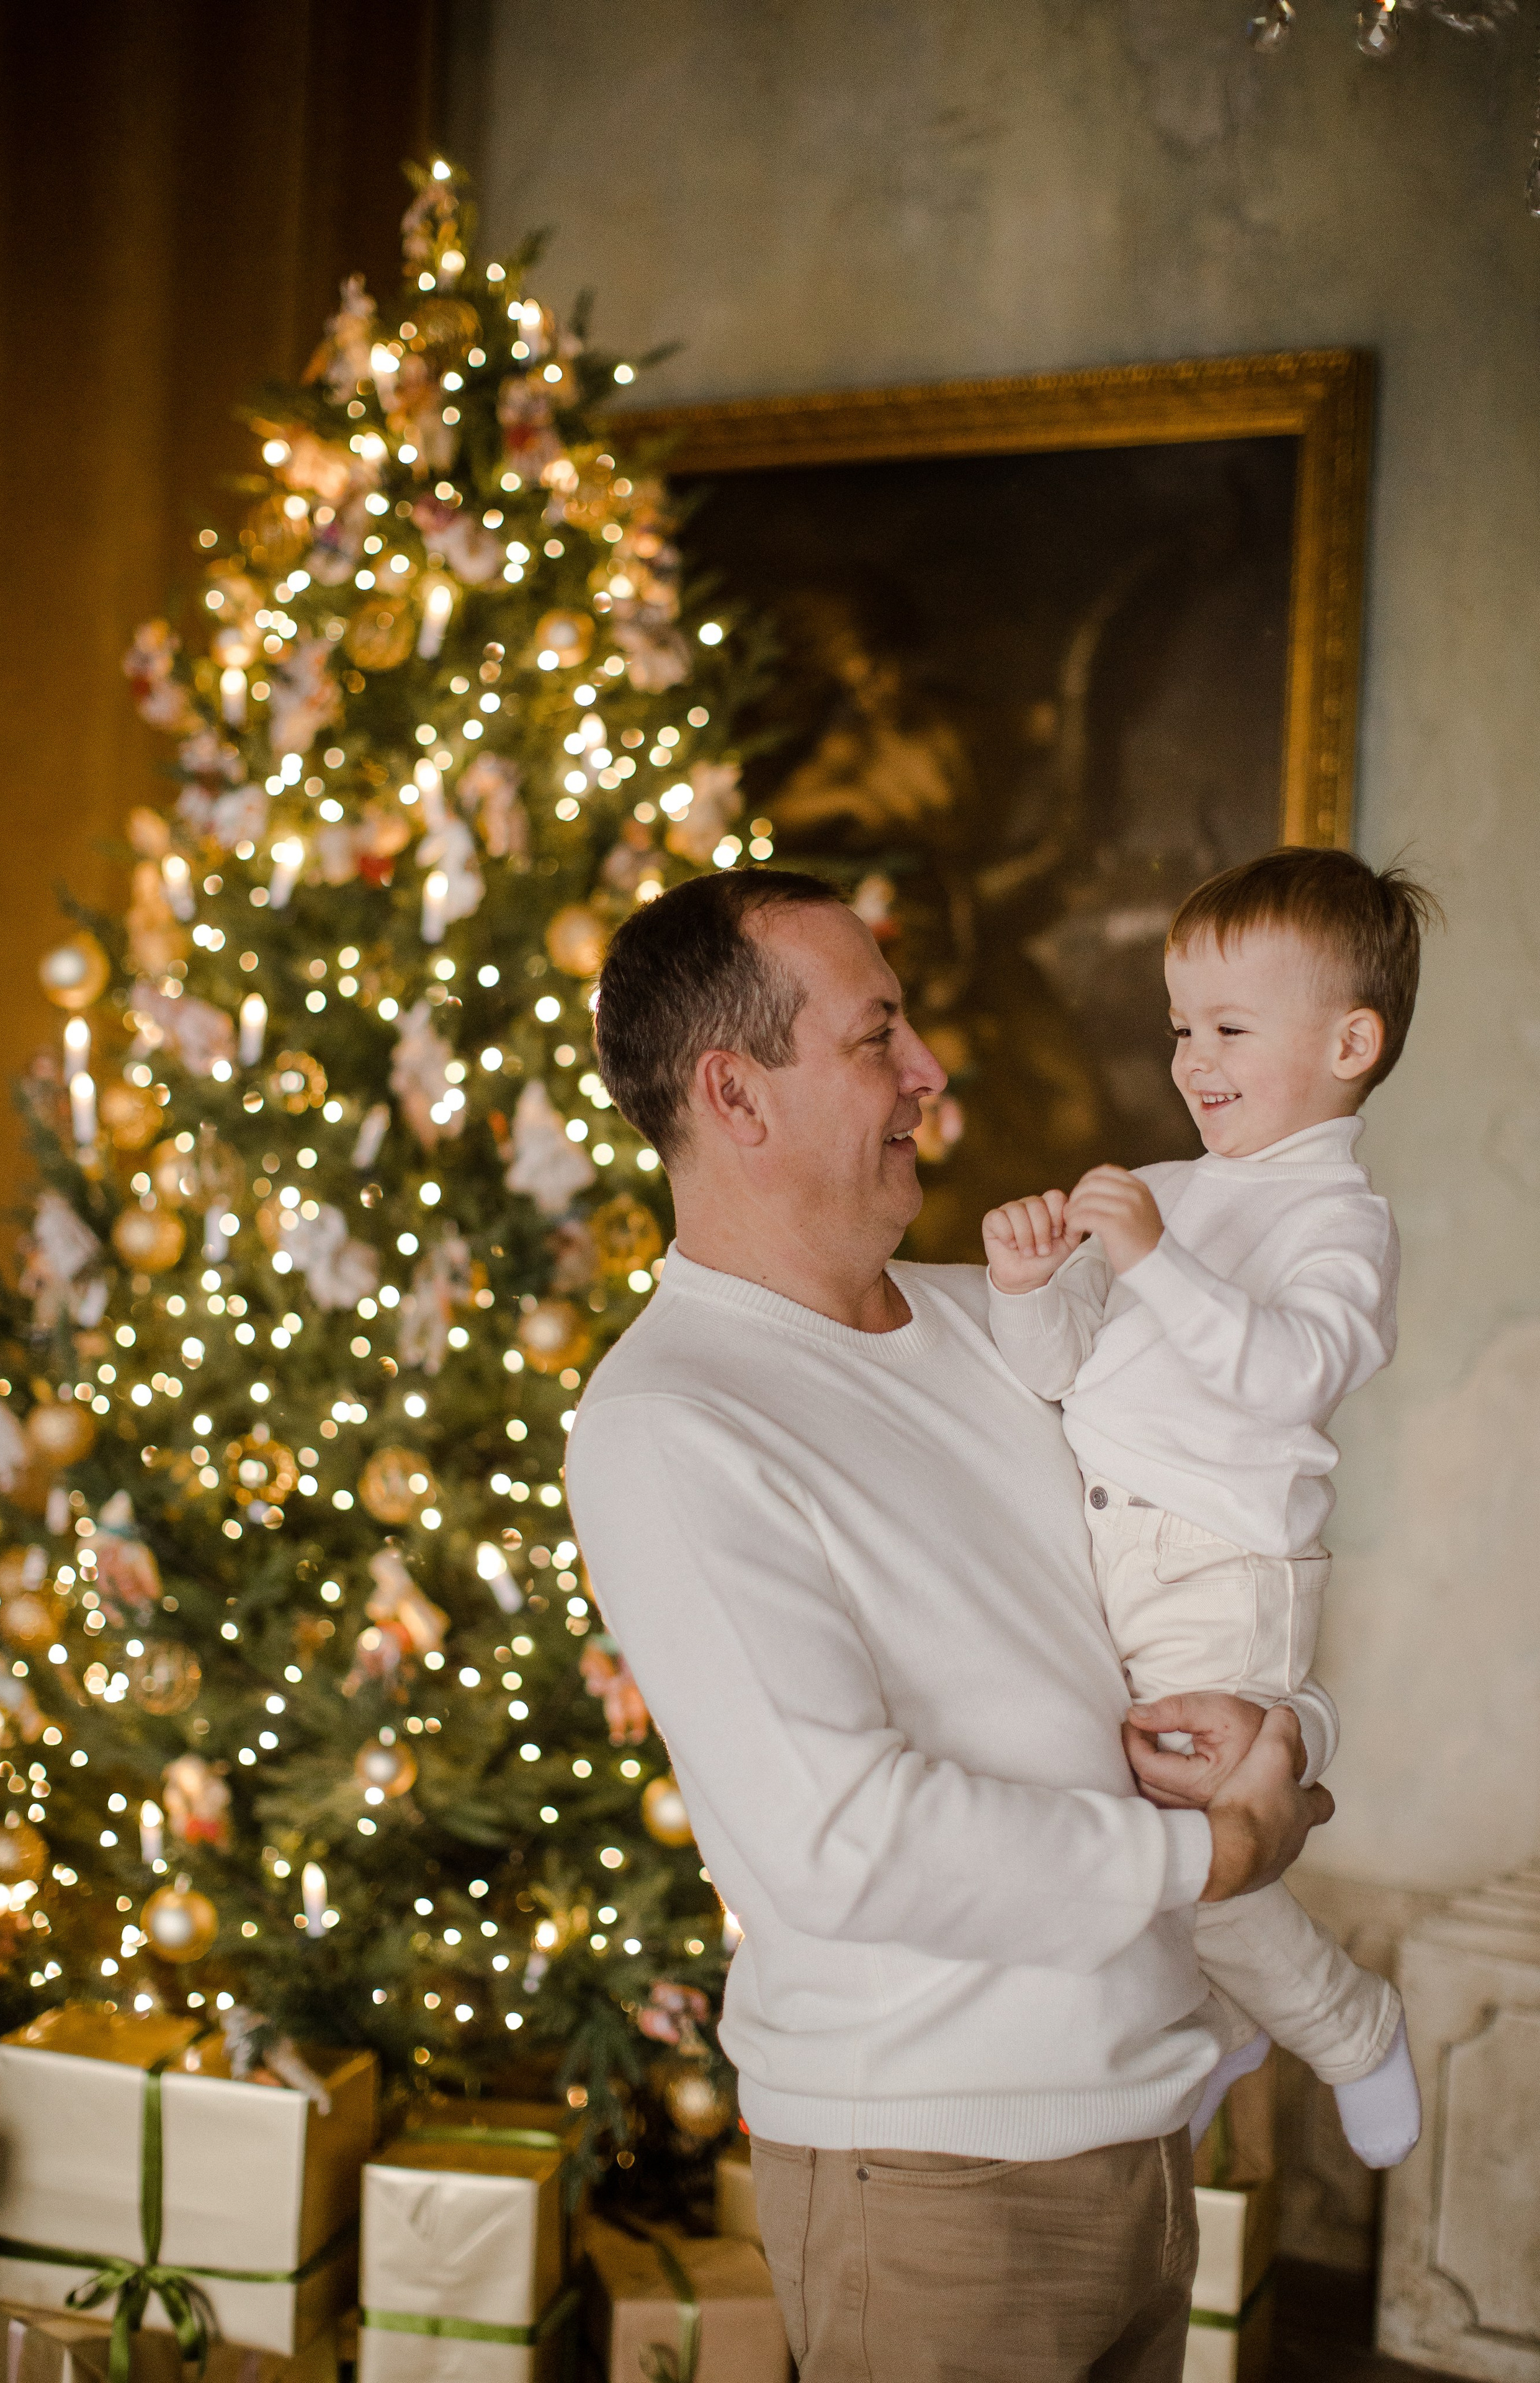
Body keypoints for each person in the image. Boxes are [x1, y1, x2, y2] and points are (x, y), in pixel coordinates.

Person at [568, 867, 1336, 2382]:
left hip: (1141, 2137)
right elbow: (841, 1838)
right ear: (735, 1093)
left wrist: (1289, 1738)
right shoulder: (668, 1423)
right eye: (876, 1040)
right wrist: (1210, 1854)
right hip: (927, 2183)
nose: (928, 1075)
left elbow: (1230, 1559)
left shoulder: (1005, 1319)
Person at [982, 850, 1437, 2172]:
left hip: (1218, 1573)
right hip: (1114, 1564)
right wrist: (1028, 1289)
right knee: (1132, 1840)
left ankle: (1345, 2024)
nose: (1191, 1059)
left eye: (1228, 1028)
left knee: (1198, 1841)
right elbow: (1062, 1379)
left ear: (1349, 1041)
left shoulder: (1338, 1224)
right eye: (1179, 1026)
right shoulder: (1170, 1194)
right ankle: (1231, 2018)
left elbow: (1285, 1370)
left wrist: (1150, 1262)